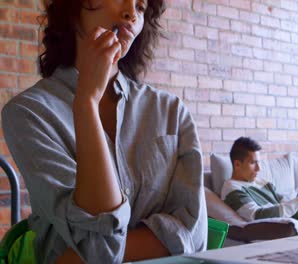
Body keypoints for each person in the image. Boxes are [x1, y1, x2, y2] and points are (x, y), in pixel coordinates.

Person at [1, 0, 207, 263]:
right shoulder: (28, 113)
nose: (131, 13)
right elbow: (99, 248)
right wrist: (86, 103)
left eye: (141, 6)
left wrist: (81, 258)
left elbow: (194, 234)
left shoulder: (170, 110)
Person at [221, 137, 298, 232]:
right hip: (290, 229)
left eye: (258, 163)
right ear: (237, 164)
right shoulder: (232, 188)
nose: (259, 169)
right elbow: (257, 216)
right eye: (253, 163)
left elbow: (293, 212)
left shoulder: (263, 183)